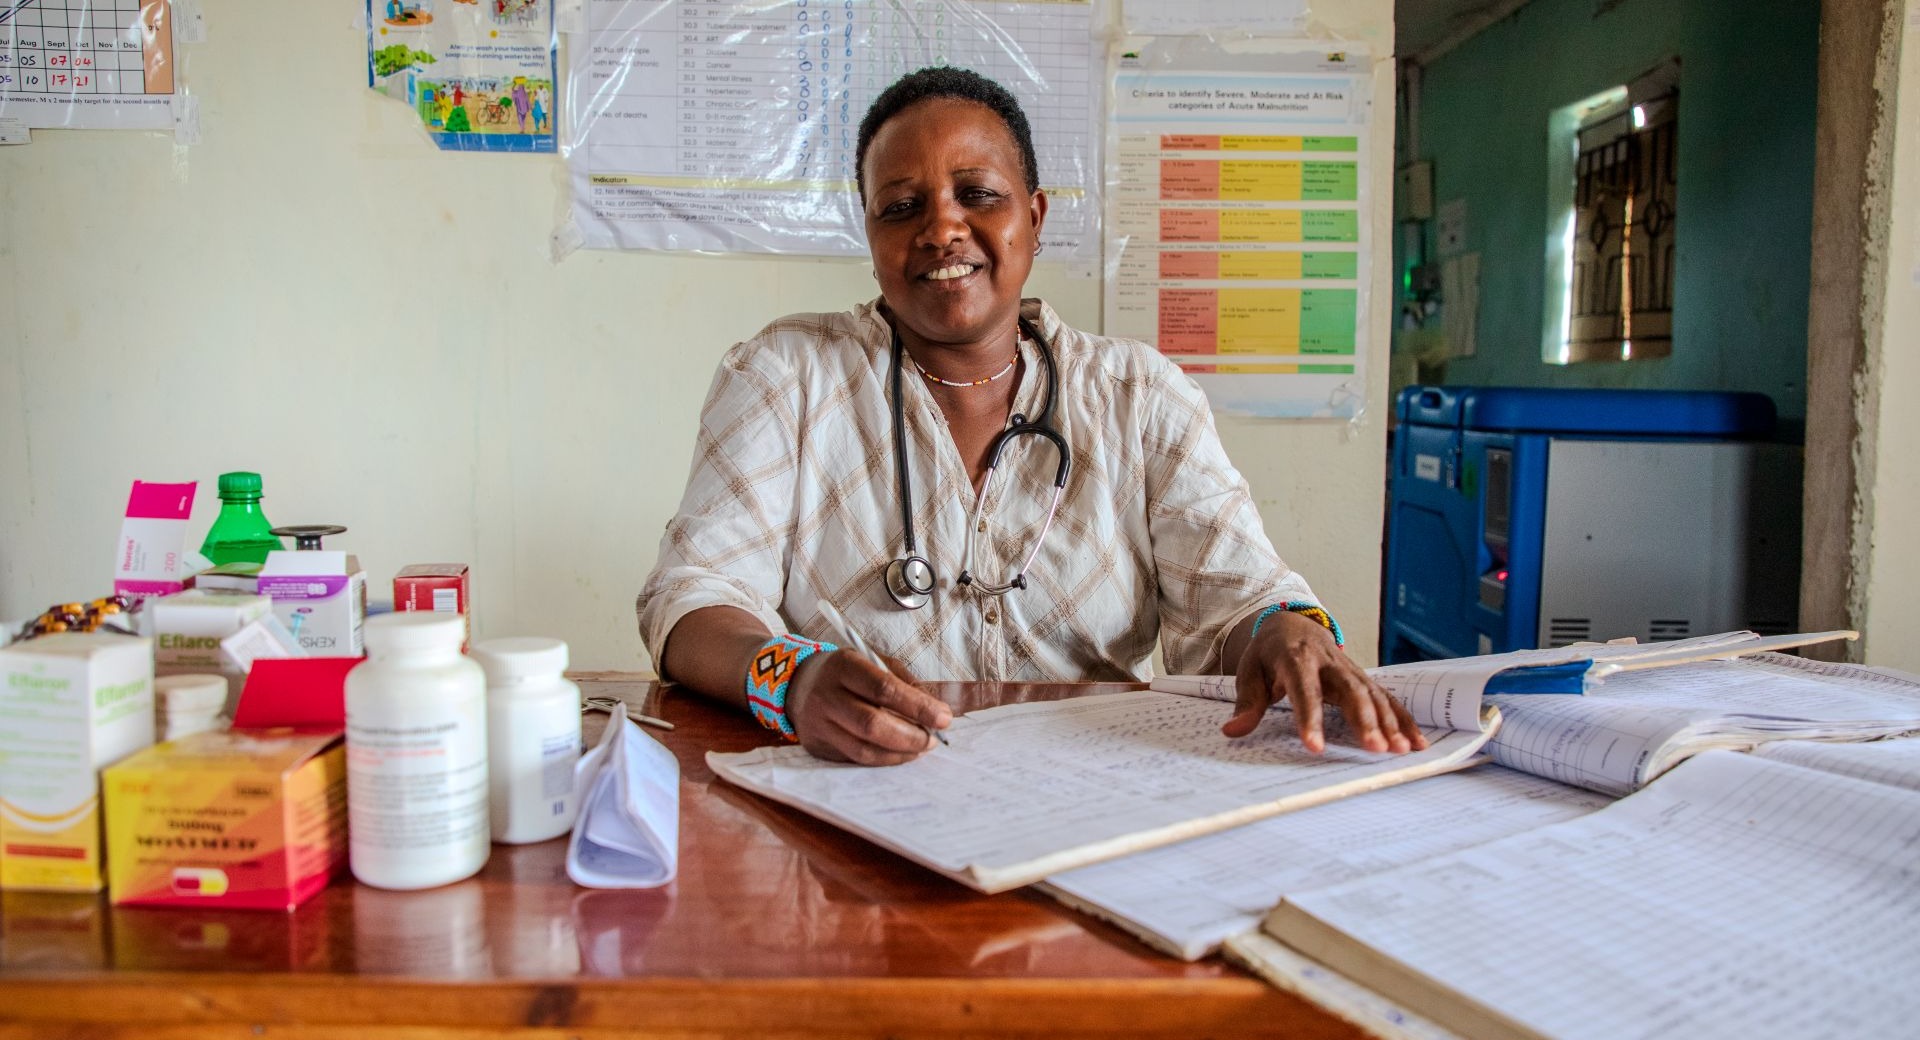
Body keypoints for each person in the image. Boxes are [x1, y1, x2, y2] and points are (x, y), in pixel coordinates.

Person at [636, 67, 1424, 766]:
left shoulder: (1138, 396)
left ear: (1035, 218)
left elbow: (1244, 599)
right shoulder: (787, 376)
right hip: (864, 795)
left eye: (977, 195)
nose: (941, 228)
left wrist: (1288, 629)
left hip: (1093, 792)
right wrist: (795, 677)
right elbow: (692, 598)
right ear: (871, 236)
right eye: (901, 206)